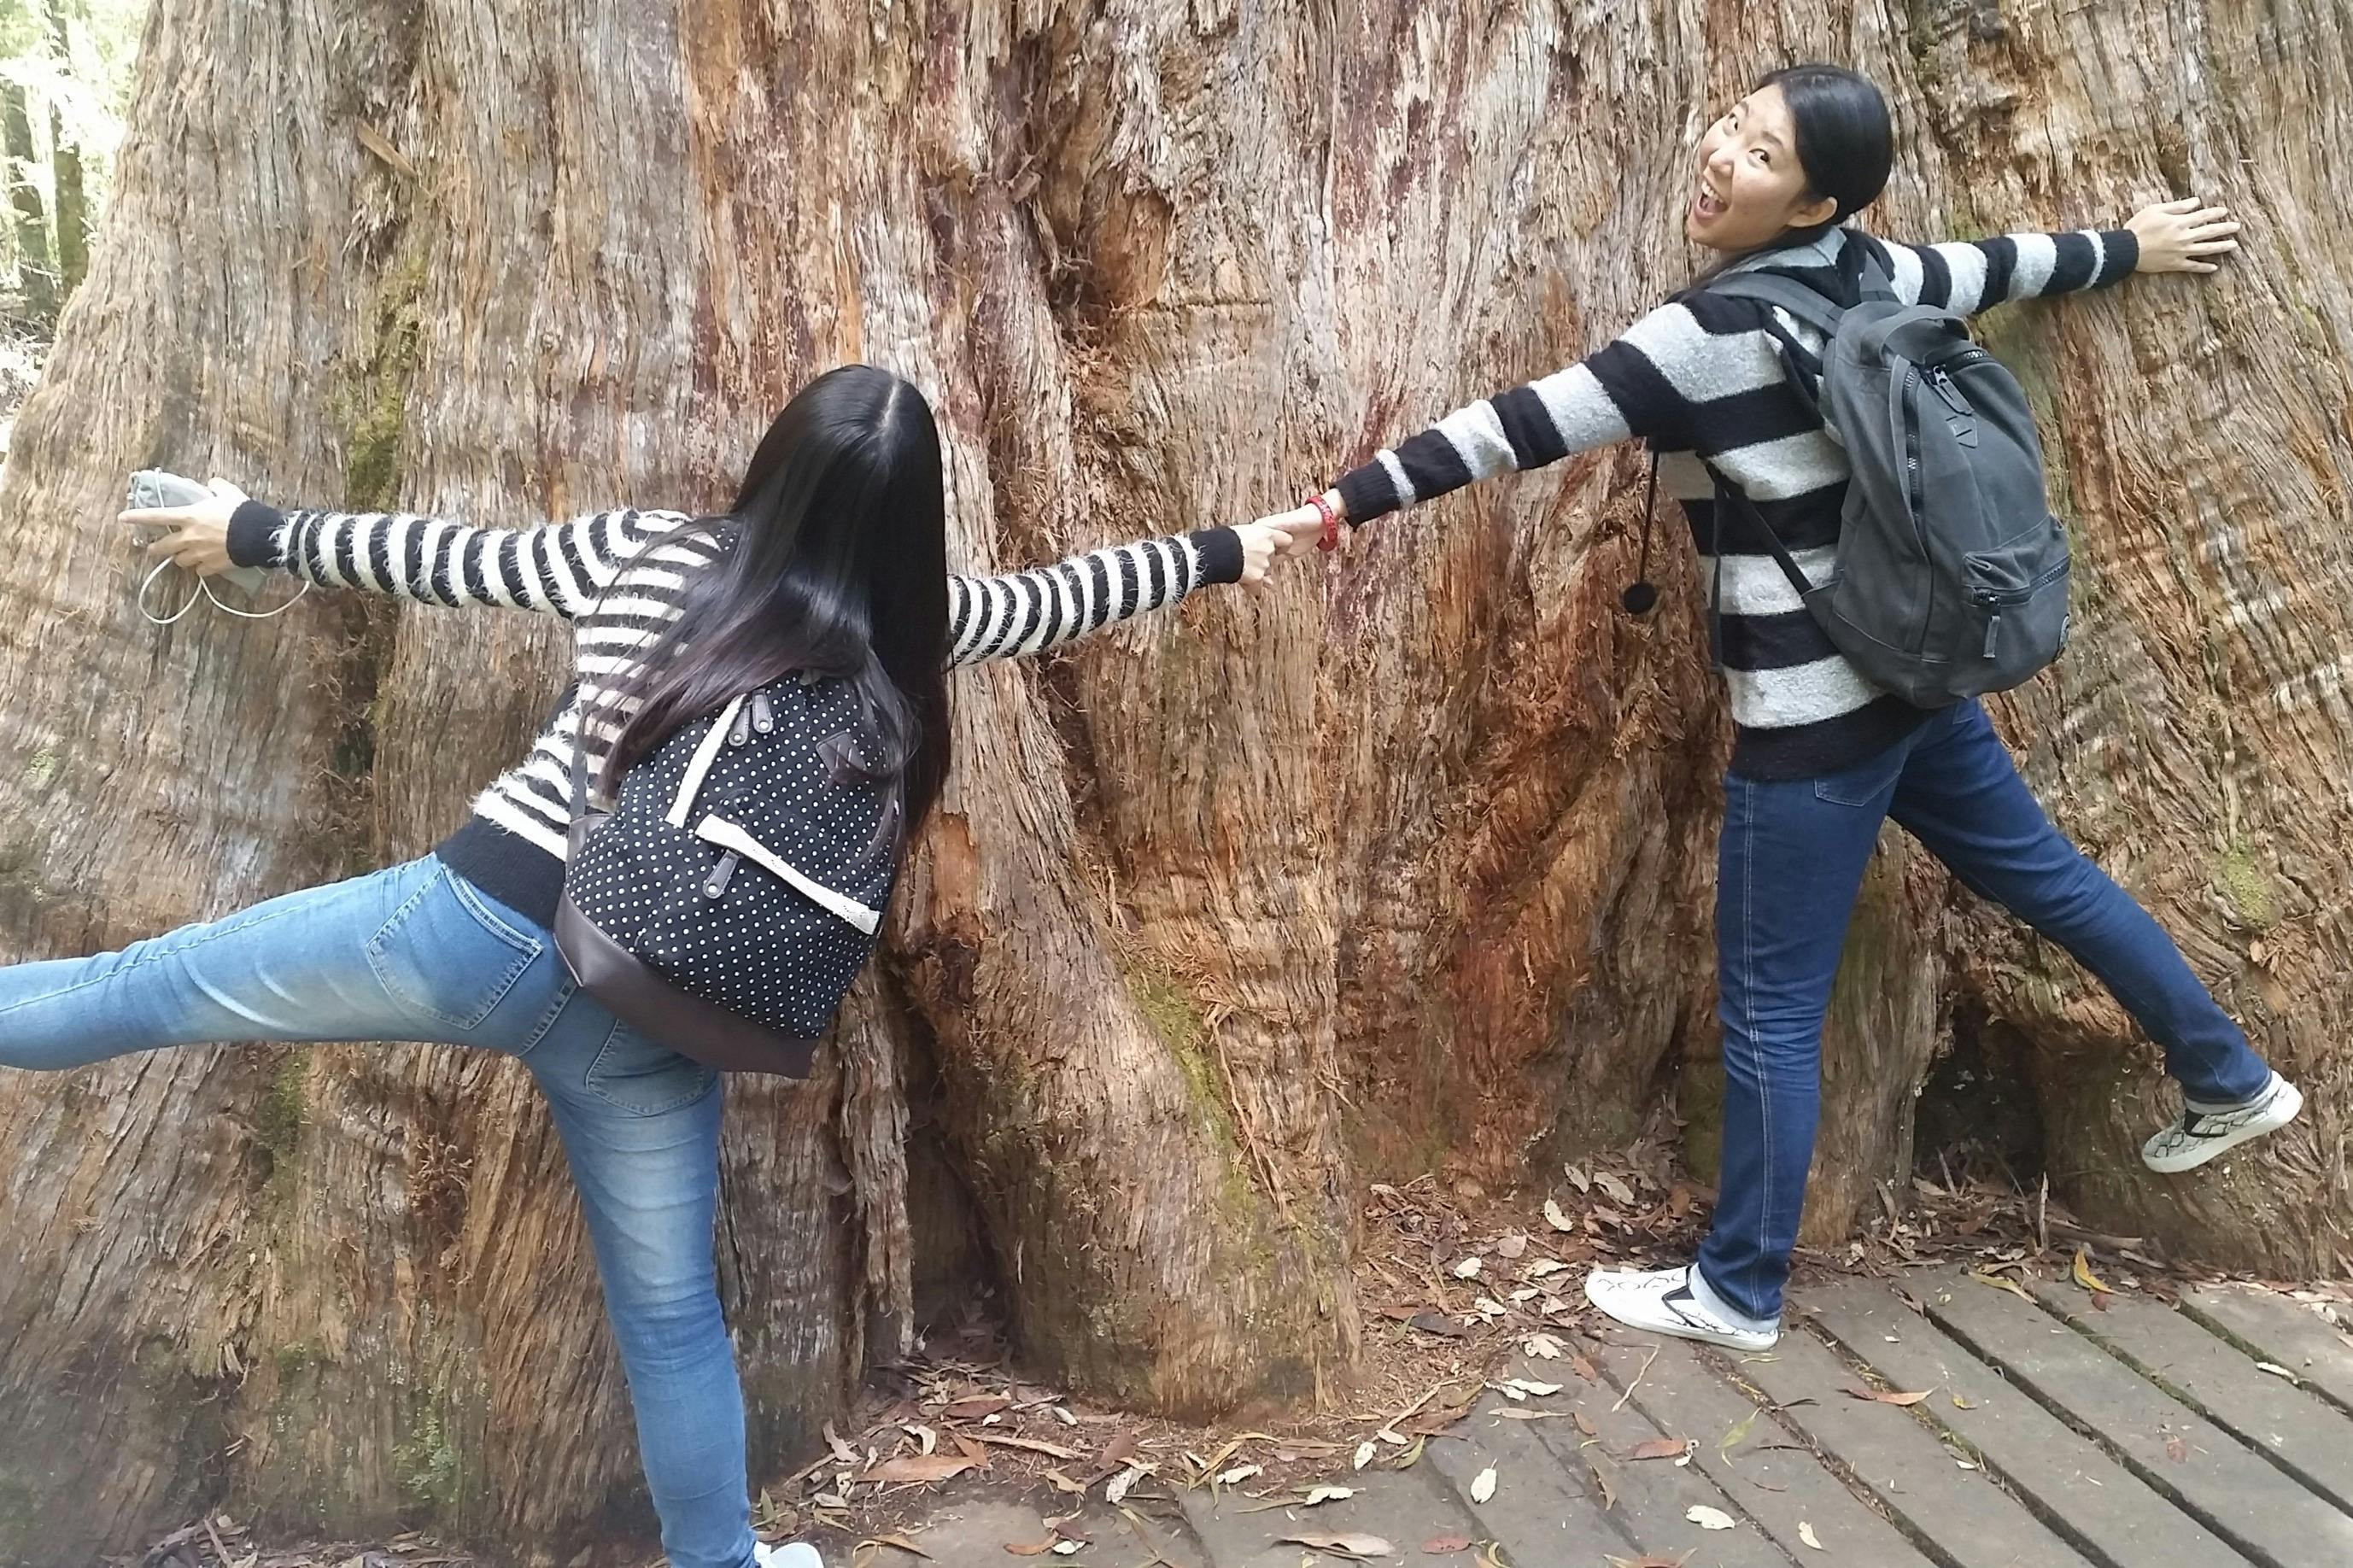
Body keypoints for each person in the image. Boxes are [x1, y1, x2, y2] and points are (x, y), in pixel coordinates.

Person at [3, 364, 1291, 1568]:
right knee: (671, 1320)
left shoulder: (647, 551)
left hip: (474, 929)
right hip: (654, 1015)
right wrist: (1239, 548)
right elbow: (1082, 590)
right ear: (911, 526)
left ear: (773, 467)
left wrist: (251, 529)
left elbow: (437, 558)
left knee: (152, 986)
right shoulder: (914, 634)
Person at [1255, 64, 2297, 1352]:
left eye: (1758, 154)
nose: (1720, 157)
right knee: (2051, 882)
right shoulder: (1877, 272)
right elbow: (1996, 265)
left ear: (1816, 204)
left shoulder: (1698, 339)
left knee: (1768, 1009)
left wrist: (1339, 506)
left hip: (1811, 719)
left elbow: (1511, 428)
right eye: (1733, 128)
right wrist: (2129, 246)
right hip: (1914, 676)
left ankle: (1738, 1288)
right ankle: (2231, 1077)